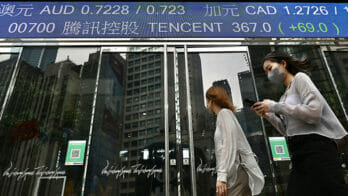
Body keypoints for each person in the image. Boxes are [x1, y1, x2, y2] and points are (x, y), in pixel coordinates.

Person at [251, 51, 348, 196]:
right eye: (266, 72)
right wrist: (268, 115)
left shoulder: (300, 79)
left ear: (283, 64)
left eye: (270, 68)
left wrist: (274, 106)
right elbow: (287, 131)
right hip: (299, 153)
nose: (268, 75)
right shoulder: (284, 96)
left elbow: (314, 113)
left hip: (318, 149)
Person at [206, 86, 264, 196]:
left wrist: (222, 176)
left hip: (236, 174)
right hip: (234, 174)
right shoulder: (225, 115)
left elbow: (229, 145)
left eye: (207, 100)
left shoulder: (224, 114)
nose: (206, 104)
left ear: (211, 100)